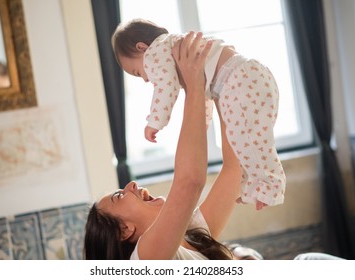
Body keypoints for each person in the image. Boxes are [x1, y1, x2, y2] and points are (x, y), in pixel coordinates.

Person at [84, 32, 242, 260]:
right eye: (119, 196)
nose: (131, 185)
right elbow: (189, 182)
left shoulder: (192, 235)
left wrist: (219, 83)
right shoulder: (143, 261)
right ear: (124, 230)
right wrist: (194, 83)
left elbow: (235, 168)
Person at [111, 18, 286, 210]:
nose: (145, 78)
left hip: (239, 79)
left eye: (137, 72)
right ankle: (253, 189)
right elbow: (203, 95)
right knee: (243, 141)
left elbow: (165, 88)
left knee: (249, 140)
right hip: (251, 75)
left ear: (142, 47)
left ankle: (271, 188)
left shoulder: (156, 51)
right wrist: (200, 125)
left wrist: (155, 121)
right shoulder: (175, 47)